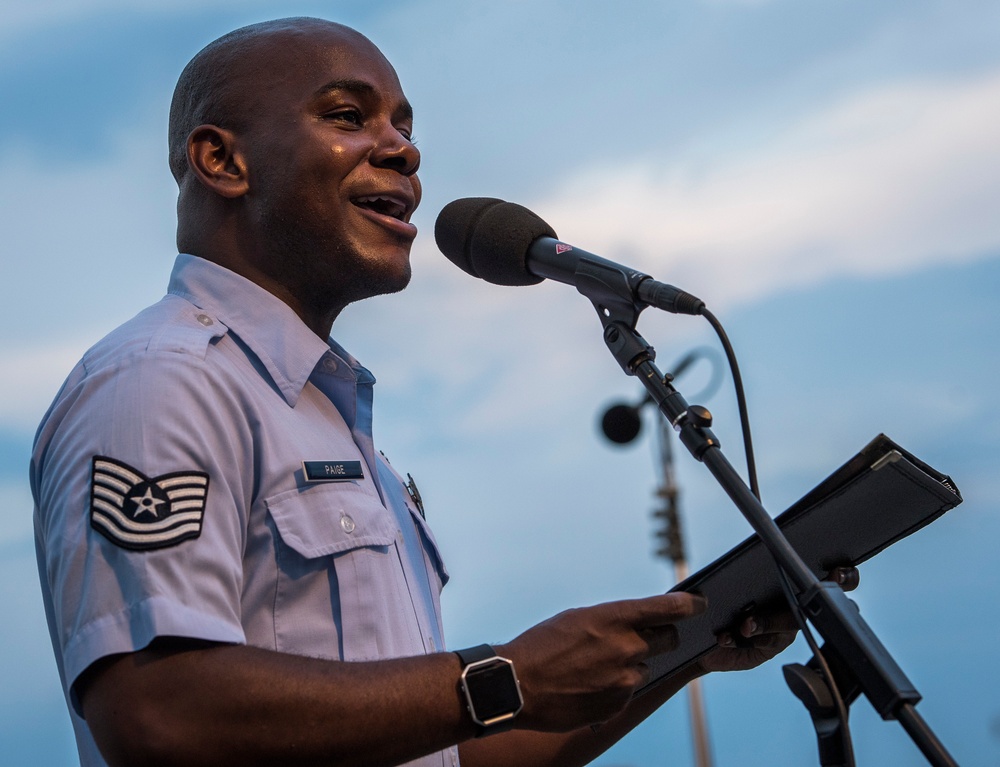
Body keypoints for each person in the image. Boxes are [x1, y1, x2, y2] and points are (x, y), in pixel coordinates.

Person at [31, 17, 853, 767]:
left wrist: (692, 646)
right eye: (349, 116)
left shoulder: (332, 420)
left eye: (405, 125)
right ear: (223, 160)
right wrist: (505, 676)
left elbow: (447, 755)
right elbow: (157, 715)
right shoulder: (160, 382)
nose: (402, 149)